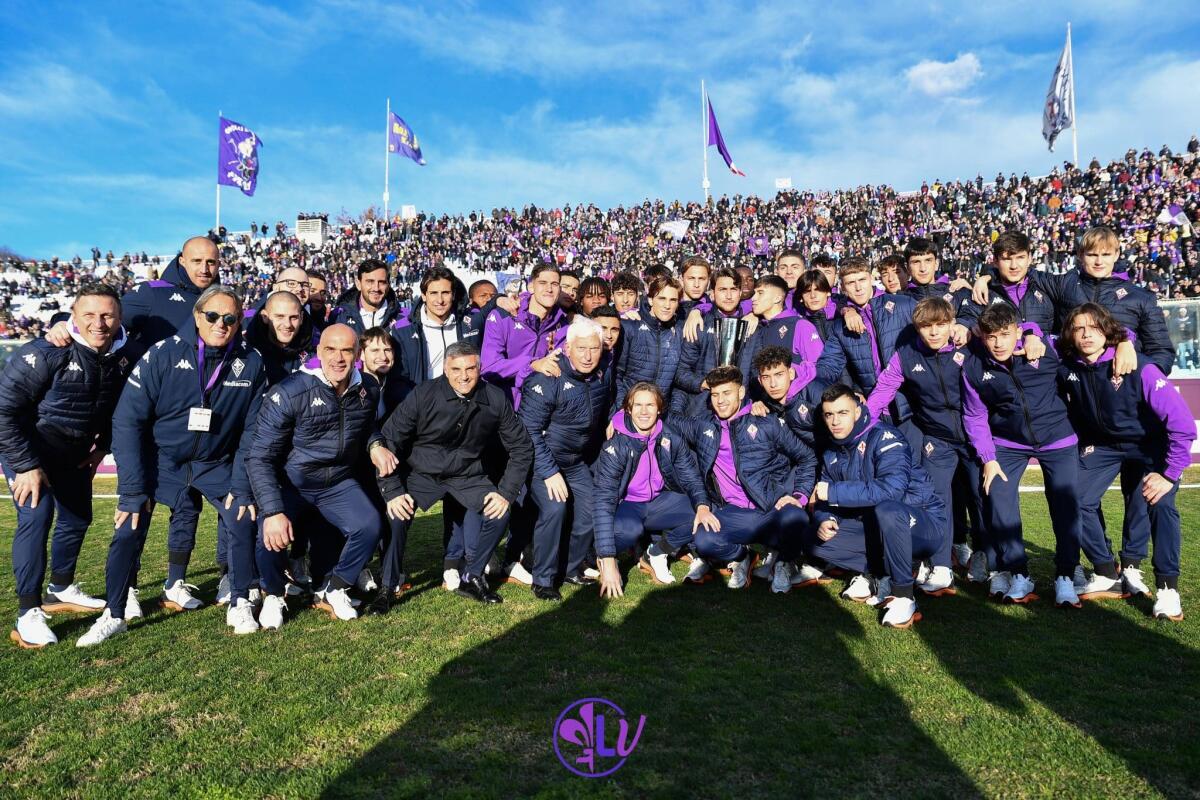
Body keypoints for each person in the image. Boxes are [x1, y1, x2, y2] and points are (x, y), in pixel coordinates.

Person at [78, 286, 269, 646]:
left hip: (215, 463)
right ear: (197, 316)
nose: (220, 324)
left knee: (242, 516)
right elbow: (127, 420)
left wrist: (242, 487)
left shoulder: (252, 361)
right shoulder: (162, 355)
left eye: (230, 318)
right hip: (162, 460)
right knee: (128, 525)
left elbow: (253, 431)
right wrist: (133, 490)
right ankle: (115, 613)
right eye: (212, 316)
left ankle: (240, 600)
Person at [0, 285, 133, 648]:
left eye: (107, 315)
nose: (99, 323)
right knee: (36, 516)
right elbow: (4, 409)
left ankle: (60, 589)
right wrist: (26, 465)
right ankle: (28, 612)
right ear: (73, 316)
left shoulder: (123, 356)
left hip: (74, 453)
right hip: (31, 451)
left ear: (119, 318)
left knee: (77, 518)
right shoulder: (47, 351)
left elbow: (117, 409)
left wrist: (100, 448)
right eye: (88, 315)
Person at [247, 324, 394, 628]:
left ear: (358, 354)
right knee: (269, 537)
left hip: (337, 481)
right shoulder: (290, 392)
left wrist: (376, 445)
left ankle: (334, 587)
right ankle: (274, 593)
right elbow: (260, 455)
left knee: (369, 525)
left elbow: (365, 427)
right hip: (293, 483)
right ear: (318, 352)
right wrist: (273, 511)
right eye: (331, 349)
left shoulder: (368, 386)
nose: (338, 358)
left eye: (346, 350)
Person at [1058, 304, 1194, 621]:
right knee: (1072, 496)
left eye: (1094, 326)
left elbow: (1183, 426)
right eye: (1079, 328)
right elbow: (1031, 338)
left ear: (1108, 331)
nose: (1086, 333)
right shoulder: (1067, 367)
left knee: (1156, 502)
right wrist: (1031, 334)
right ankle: (1107, 571)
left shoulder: (1140, 368)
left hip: (1149, 445)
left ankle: (1167, 589)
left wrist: (1169, 474)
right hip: (1103, 446)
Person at [376, 341, 534, 605]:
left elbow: (522, 447)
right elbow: (390, 439)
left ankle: (473, 576)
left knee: (500, 510)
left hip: (467, 474)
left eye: (471, 368)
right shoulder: (423, 394)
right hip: (421, 472)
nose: (464, 376)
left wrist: (506, 492)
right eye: (456, 369)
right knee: (396, 514)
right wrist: (392, 491)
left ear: (480, 368)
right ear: (445, 370)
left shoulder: (495, 398)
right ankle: (388, 585)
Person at [961, 303, 1083, 608]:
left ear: (1018, 330)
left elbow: (1094, 338)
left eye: (1005, 334)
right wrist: (988, 458)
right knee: (998, 497)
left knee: (1065, 506)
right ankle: (1019, 574)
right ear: (982, 336)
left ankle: (1065, 576)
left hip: (1057, 439)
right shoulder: (974, 367)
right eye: (991, 336)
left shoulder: (1046, 349)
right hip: (1007, 443)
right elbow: (974, 415)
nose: (999, 342)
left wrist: (1123, 342)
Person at [802, 384, 951, 628]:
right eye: (829, 415)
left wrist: (833, 492)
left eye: (843, 413)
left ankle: (904, 595)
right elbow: (825, 500)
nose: (835, 421)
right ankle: (878, 574)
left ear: (858, 412)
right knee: (810, 537)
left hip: (922, 523)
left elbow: (892, 489)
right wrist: (825, 519)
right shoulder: (831, 452)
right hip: (875, 526)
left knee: (887, 509)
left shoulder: (885, 436)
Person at [865, 298, 985, 582]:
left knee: (981, 498)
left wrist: (1031, 334)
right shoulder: (905, 355)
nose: (934, 332)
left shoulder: (968, 346)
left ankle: (985, 555)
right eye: (926, 326)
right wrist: (863, 424)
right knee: (936, 500)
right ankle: (941, 565)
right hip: (936, 438)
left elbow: (1005, 336)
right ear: (917, 328)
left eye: (941, 325)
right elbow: (884, 389)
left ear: (951, 323)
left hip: (974, 436)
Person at [671, 366, 815, 590]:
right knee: (704, 540)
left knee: (796, 519)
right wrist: (623, 415)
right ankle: (742, 557)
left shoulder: (765, 421)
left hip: (770, 507)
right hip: (733, 512)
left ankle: (784, 563)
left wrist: (799, 496)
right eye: (715, 395)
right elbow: (667, 418)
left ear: (740, 392)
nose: (720, 401)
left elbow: (807, 457)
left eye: (726, 393)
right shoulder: (704, 427)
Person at [510, 318, 612, 600]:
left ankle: (569, 567)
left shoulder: (603, 371)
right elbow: (528, 430)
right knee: (555, 508)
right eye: (581, 348)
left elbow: (611, 398)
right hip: (542, 460)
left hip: (574, 460)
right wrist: (548, 471)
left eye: (594, 348)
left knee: (593, 508)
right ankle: (542, 578)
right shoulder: (548, 377)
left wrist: (614, 416)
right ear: (568, 348)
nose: (588, 356)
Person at [591, 383, 705, 594]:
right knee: (629, 530)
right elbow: (603, 501)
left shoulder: (671, 437)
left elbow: (692, 478)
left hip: (659, 502)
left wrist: (702, 505)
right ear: (628, 409)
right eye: (638, 405)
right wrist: (608, 560)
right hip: (628, 505)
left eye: (650, 405)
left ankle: (656, 551)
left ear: (659, 408)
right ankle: (599, 555)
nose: (644, 412)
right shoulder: (615, 445)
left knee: (704, 513)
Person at [816, 257, 920, 451]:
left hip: (911, 408)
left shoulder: (902, 304)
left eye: (862, 280)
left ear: (871, 278)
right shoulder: (841, 326)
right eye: (851, 283)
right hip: (875, 409)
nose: (858, 288)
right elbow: (828, 367)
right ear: (843, 287)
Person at [481, 264, 568, 408]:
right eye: (543, 283)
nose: (549, 289)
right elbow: (489, 367)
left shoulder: (562, 323)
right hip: (501, 406)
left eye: (555, 284)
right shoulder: (503, 316)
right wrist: (531, 364)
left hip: (539, 409)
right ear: (531, 287)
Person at [389, 266, 480, 402]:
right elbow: (398, 380)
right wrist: (418, 404)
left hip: (466, 403)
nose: (440, 300)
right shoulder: (403, 330)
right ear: (424, 296)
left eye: (445, 292)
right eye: (433, 293)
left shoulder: (471, 322)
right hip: (425, 405)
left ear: (453, 294)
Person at [671, 267, 745, 417]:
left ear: (740, 293)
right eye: (723, 289)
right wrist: (705, 383)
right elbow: (681, 372)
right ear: (713, 294)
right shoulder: (698, 325)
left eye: (734, 289)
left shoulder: (751, 325)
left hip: (741, 411)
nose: (729, 295)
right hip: (703, 410)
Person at [738, 275, 823, 396]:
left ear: (778, 298)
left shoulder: (800, 325)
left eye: (760, 293)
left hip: (795, 405)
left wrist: (789, 393)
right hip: (762, 405)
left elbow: (818, 368)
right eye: (754, 293)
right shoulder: (756, 325)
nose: (753, 298)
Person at [614, 275, 683, 412]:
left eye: (673, 300)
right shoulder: (629, 325)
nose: (667, 305)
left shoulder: (679, 331)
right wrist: (623, 409)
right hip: (629, 411)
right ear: (651, 300)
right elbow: (617, 375)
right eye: (662, 298)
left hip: (660, 414)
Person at [244, 291, 314, 386]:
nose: (287, 324)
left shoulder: (313, 356)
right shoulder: (248, 355)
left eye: (293, 317)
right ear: (265, 317)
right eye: (280, 317)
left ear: (301, 318)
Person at [330, 259, 402, 333]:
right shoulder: (339, 317)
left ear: (388, 285)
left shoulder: (403, 319)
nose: (376, 288)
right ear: (358, 284)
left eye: (382, 282)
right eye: (370, 282)